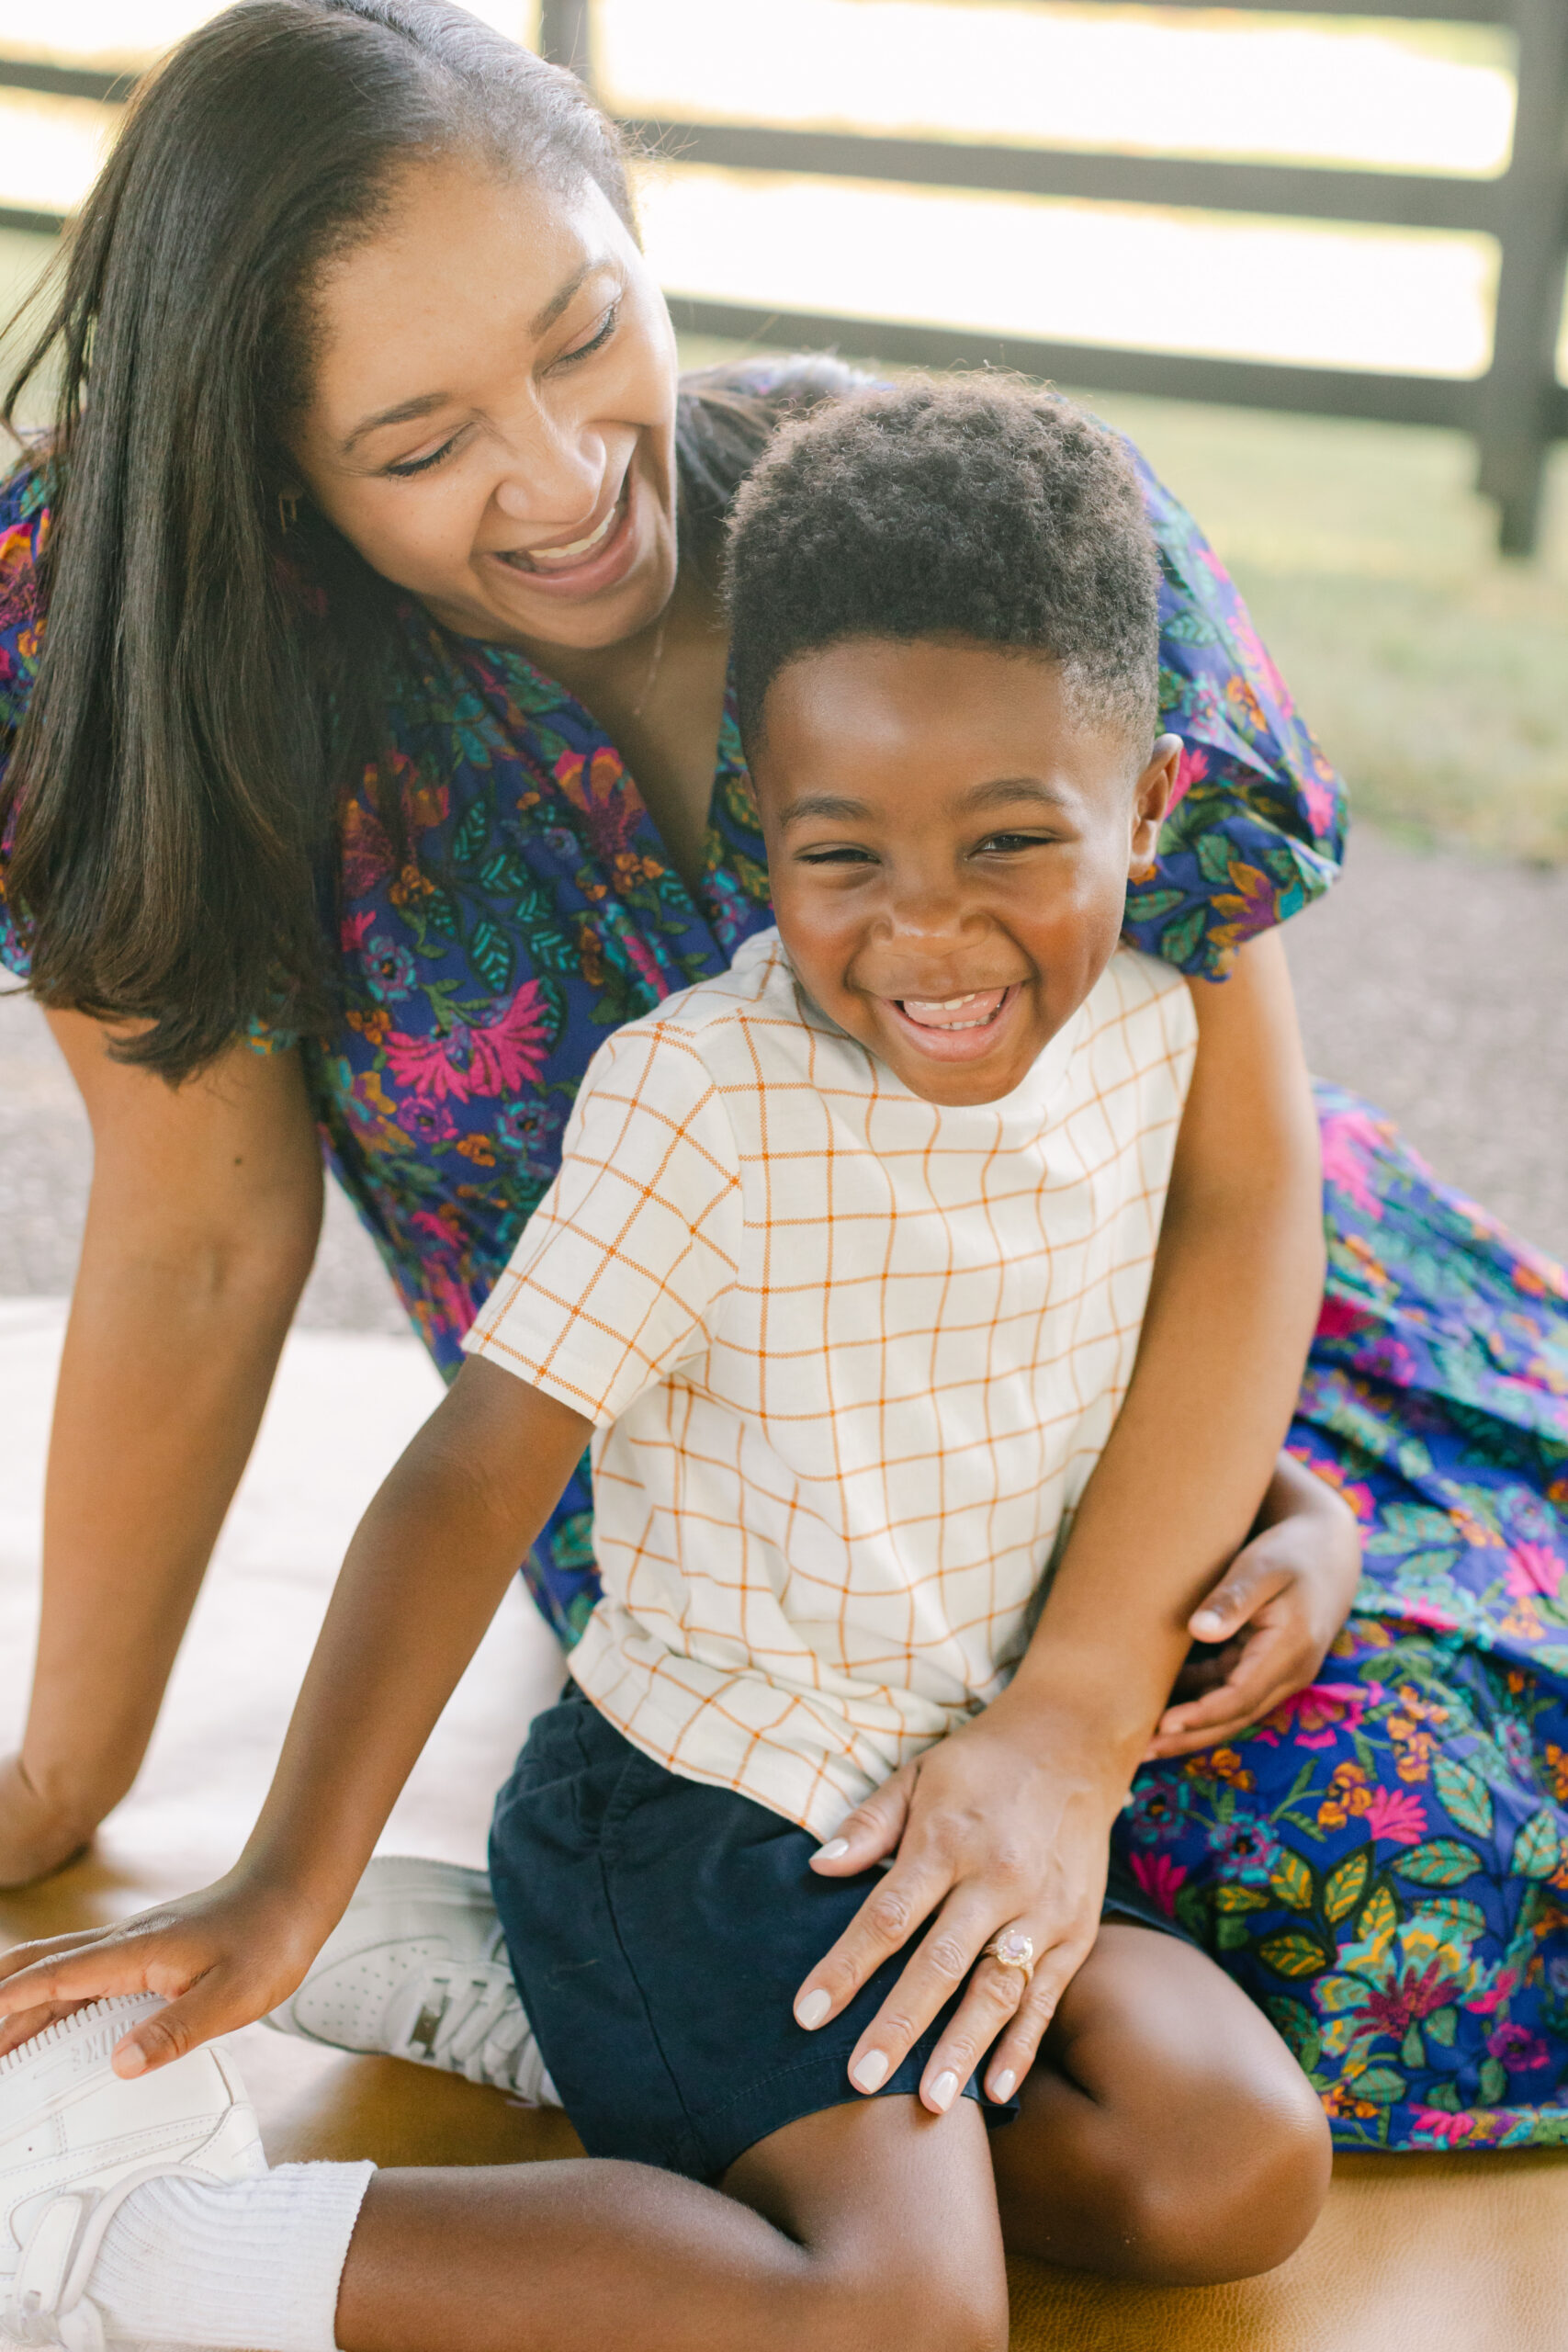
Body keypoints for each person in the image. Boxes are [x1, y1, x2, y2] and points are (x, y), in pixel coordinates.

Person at [1, 0, 1562, 2156]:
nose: (557, 478)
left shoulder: (994, 551)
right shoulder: (164, 669)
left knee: (1423, 1841)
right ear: (270, 466)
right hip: (754, 1526)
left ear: (636, 226)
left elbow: (1226, 1181)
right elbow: (195, 1239)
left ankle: (633, 1993)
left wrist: (1088, 1702)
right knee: (1256, 1910)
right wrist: (57, 1792)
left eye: (579, 334)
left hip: (1208, 1344)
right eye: (418, 441)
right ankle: (592, 1972)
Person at [0, 380, 1339, 2352]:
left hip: (918, 1791)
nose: (926, 932)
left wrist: (1290, 1498)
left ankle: (575, 2020)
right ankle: (112, 2252)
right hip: (699, 1804)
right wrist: (288, 1879)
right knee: (894, 2313)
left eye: (1005, 840)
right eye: (839, 853)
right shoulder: (704, 1097)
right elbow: (472, 1472)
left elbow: (1041, 1330)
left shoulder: (1155, 1015)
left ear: (1146, 807)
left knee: (1230, 2158)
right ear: (754, 819)